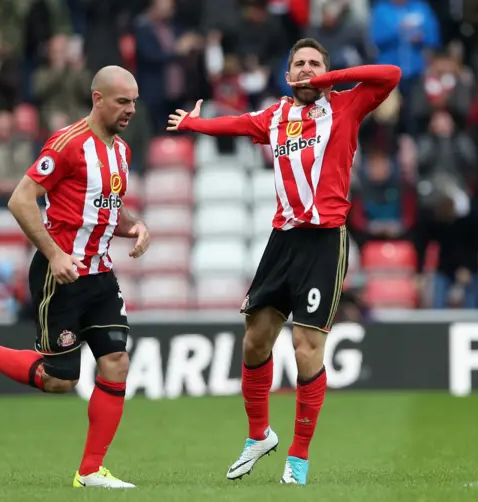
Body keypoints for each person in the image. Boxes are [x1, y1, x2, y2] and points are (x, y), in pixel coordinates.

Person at [168, 38, 401, 485]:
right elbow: (236, 124)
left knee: (305, 348)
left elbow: (390, 74)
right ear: (287, 74)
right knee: (254, 340)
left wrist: (329, 80)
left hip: (325, 242)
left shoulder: (347, 106)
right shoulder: (275, 117)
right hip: (283, 240)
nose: (308, 69)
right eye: (300, 64)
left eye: (316, 64)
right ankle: (259, 435)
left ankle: (298, 458)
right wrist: (197, 124)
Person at [0, 66, 150, 489]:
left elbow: (108, 209)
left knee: (116, 362)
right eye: (122, 101)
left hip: (100, 274)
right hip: (61, 274)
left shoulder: (121, 152)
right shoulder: (68, 144)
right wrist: (54, 254)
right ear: (97, 99)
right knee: (61, 379)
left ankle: (90, 471)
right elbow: (20, 199)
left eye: (133, 101)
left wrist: (134, 226)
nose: (131, 109)